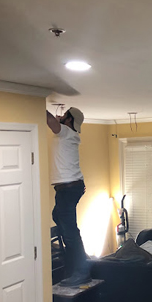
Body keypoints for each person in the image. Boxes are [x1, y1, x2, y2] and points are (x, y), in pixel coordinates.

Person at [47, 107, 91, 287]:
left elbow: (49, 120)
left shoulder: (65, 132)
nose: (61, 115)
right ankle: (77, 263)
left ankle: (81, 271)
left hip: (68, 188)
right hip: (68, 188)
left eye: (65, 114)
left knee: (70, 232)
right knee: (59, 218)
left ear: (69, 121)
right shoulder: (67, 133)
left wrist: (39, 103)